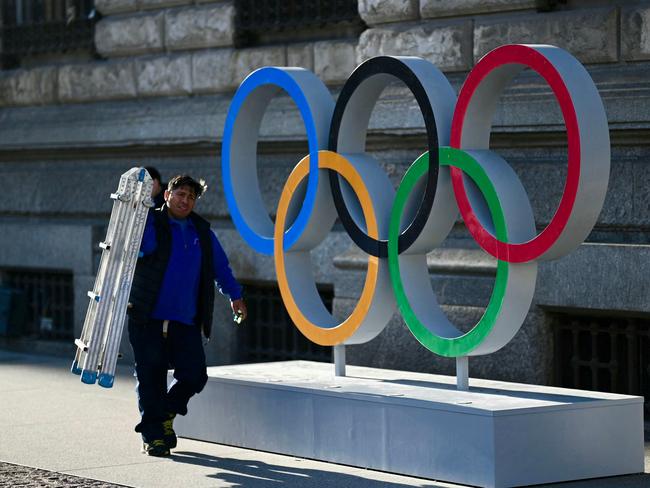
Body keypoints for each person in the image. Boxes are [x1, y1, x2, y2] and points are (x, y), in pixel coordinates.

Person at [127, 174, 247, 457]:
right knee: (150, 376)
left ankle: (164, 413)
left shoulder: (201, 232)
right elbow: (143, 248)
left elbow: (221, 267)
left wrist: (236, 295)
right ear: (167, 196)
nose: (185, 200)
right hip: (148, 317)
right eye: (180, 194)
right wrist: (149, 208)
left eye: (191, 197)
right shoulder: (152, 223)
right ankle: (153, 436)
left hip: (186, 319)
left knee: (194, 375)